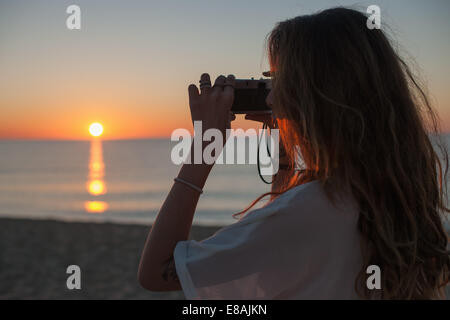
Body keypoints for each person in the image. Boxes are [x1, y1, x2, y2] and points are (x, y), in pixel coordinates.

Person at [138, 7, 449, 299]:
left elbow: (158, 272)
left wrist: (204, 146)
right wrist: (285, 141)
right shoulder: (396, 194)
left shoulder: (311, 207)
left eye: (281, 81)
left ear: (313, 94)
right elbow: (288, 240)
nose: (271, 97)